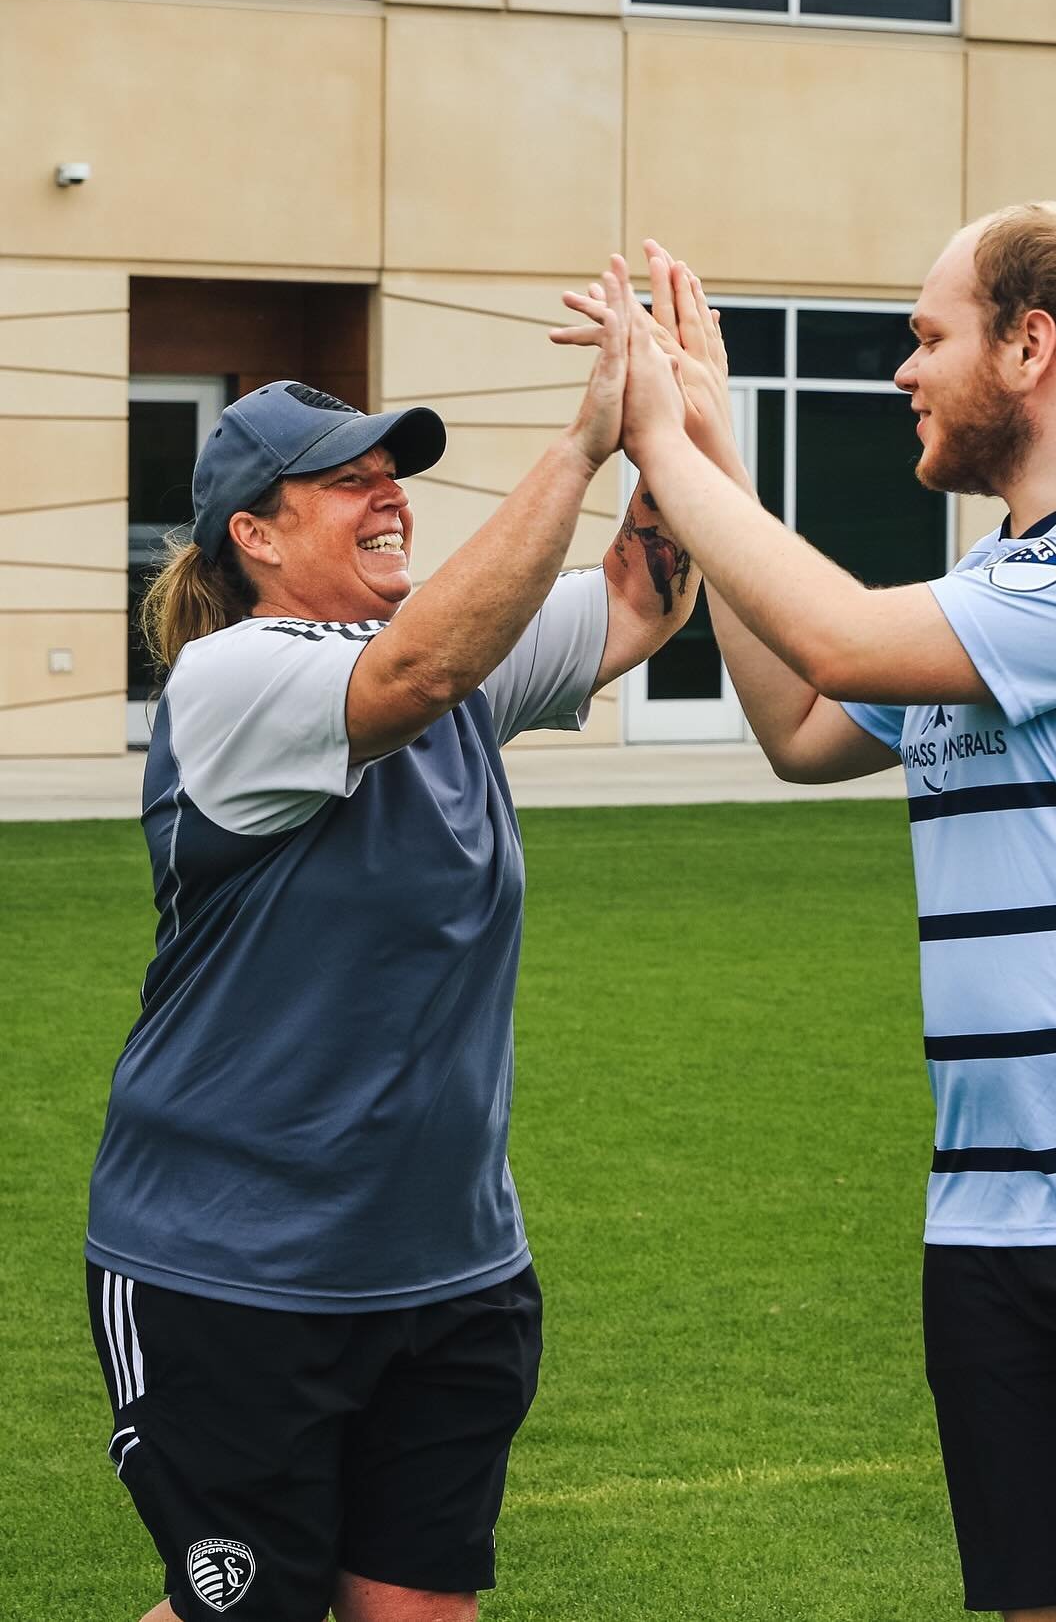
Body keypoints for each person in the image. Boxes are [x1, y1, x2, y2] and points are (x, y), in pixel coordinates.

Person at [563, 212, 1056, 1622]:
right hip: (994, 1223)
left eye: (928, 339)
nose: (903, 376)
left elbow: (847, 639)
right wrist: (707, 448)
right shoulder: (991, 586)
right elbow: (802, 725)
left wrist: (661, 442)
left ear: (1030, 345)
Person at [86, 273, 695, 1622]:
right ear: (254, 533)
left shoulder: (456, 661)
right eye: (346, 484)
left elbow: (641, 602)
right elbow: (413, 676)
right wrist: (584, 442)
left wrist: (682, 427)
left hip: (451, 1270)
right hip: (231, 1271)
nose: (390, 495)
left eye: (392, 472)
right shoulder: (235, 677)